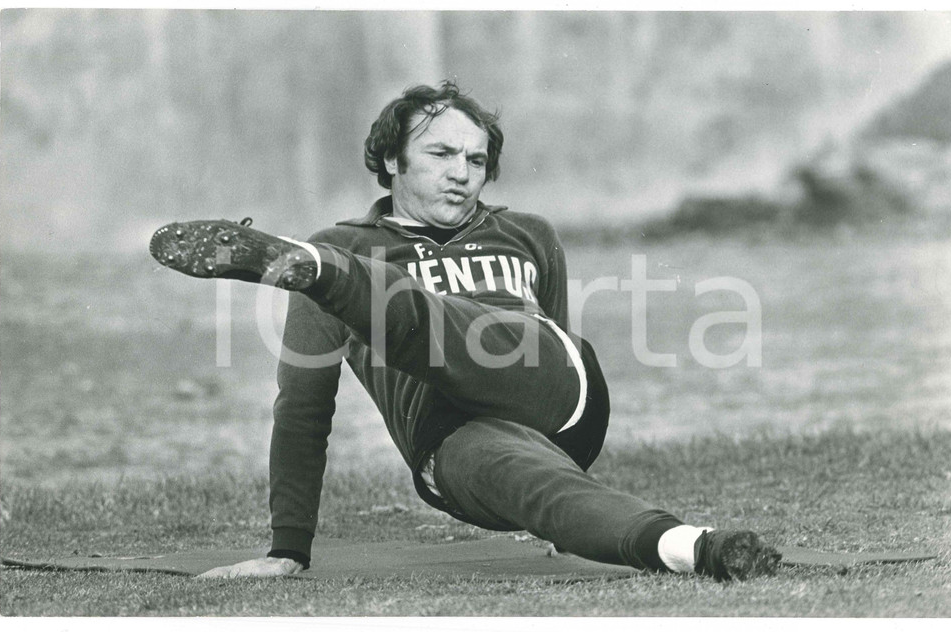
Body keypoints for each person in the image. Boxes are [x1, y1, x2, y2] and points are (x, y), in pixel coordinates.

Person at [150, 81, 780, 581]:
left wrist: (326, 272)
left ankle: (319, 274)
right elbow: (303, 408)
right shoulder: (349, 243)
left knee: (464, 329)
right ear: (393, 160)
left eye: (477, 160)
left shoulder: (527, 234)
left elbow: (551, 341)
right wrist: (288, 548)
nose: (463, 173)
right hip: (448, 447)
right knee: (541, 492)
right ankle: (700, 550)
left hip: (551, 390)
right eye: (442, 154)